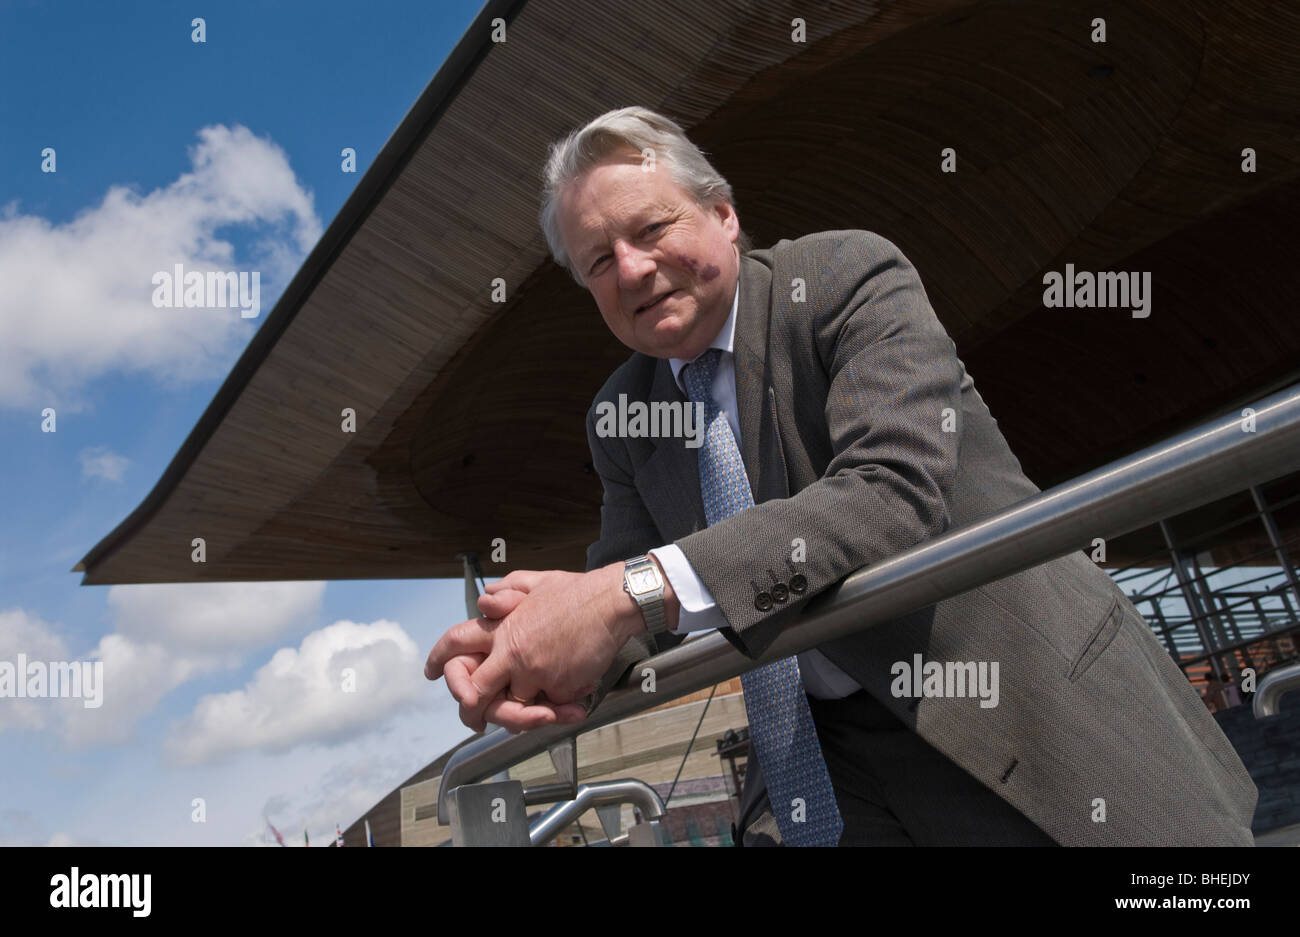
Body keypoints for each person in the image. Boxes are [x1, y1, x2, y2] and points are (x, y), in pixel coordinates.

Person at [424, 106, 1258, 846]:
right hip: (826, 769)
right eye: (598, 260)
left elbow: (890, 490)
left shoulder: (843, 278)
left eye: (649, 229)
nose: (632, 269)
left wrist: (620, 594)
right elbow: (644, 614)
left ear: (722, 213)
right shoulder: (622, 415)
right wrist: (530, 646)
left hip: (1017, 706)